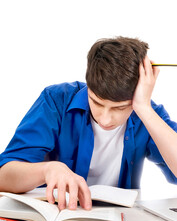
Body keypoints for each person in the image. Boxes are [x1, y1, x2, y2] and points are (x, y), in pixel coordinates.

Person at [0, 37, 177, 211]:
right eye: (97, 103)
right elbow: (3, 176)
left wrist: (144, 109)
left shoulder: (149, 114)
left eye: (121, 107)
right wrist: (47, 169)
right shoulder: (56, 100)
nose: (106, 119)